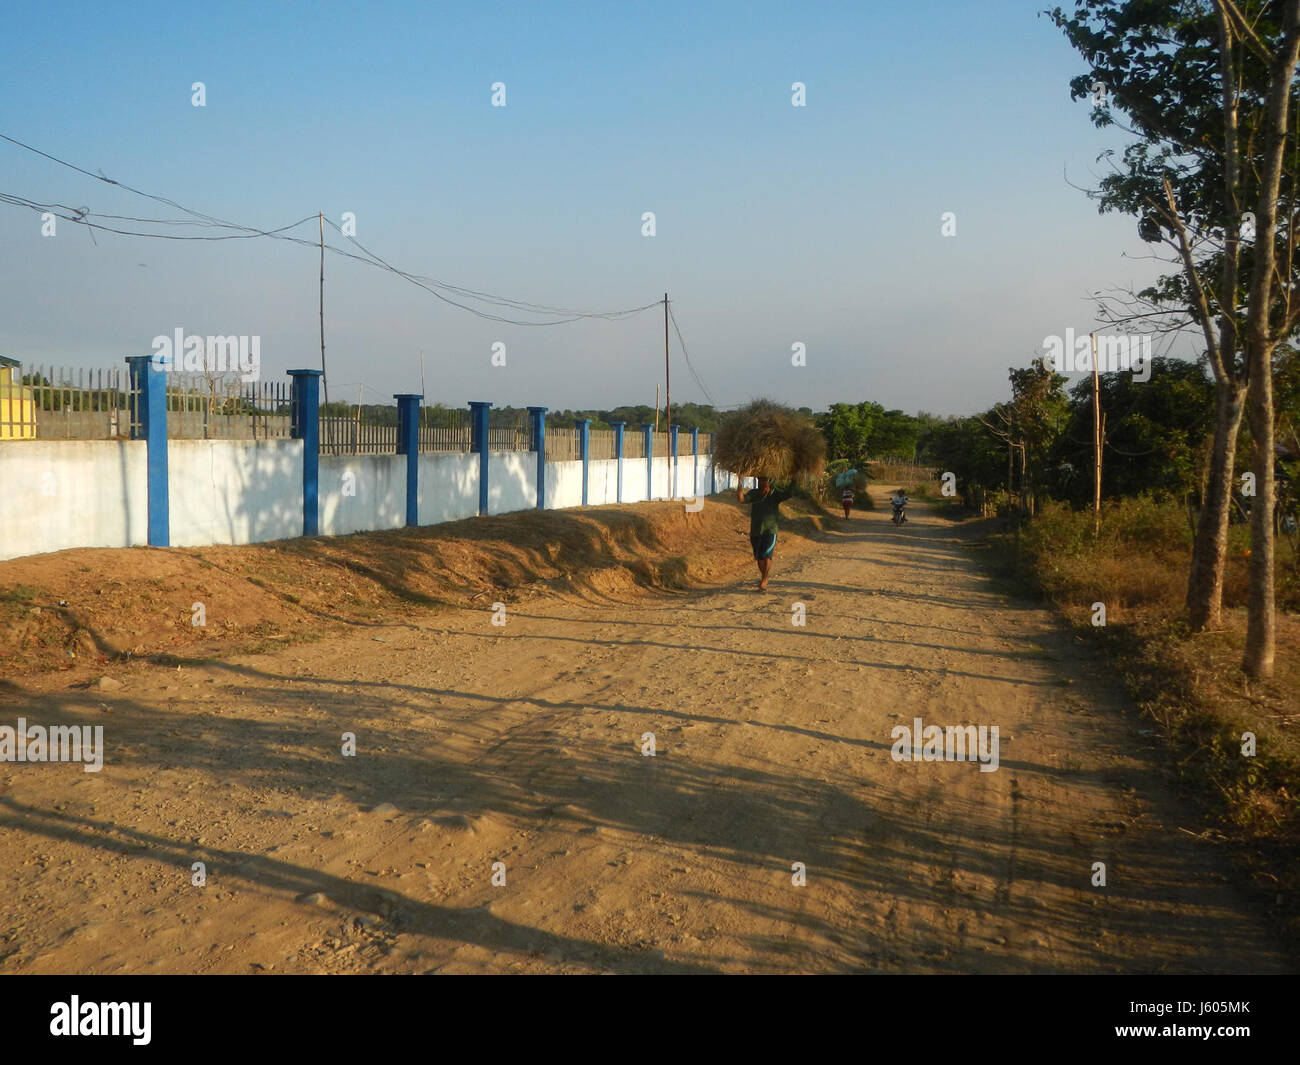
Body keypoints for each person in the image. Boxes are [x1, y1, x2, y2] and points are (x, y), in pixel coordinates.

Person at [738, 475, 793, 589]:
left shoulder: (774, 494)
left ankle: (764, 579)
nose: (761, 482)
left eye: (764, 480)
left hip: (770, 530)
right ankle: (764, 576)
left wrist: (794, 478)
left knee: (766, 556)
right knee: (759, 558)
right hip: (756, 531)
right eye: (759, 480)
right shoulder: (754, 493)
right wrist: (739, 481)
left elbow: (789, 493)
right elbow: (741, 499)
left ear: (769, 482)